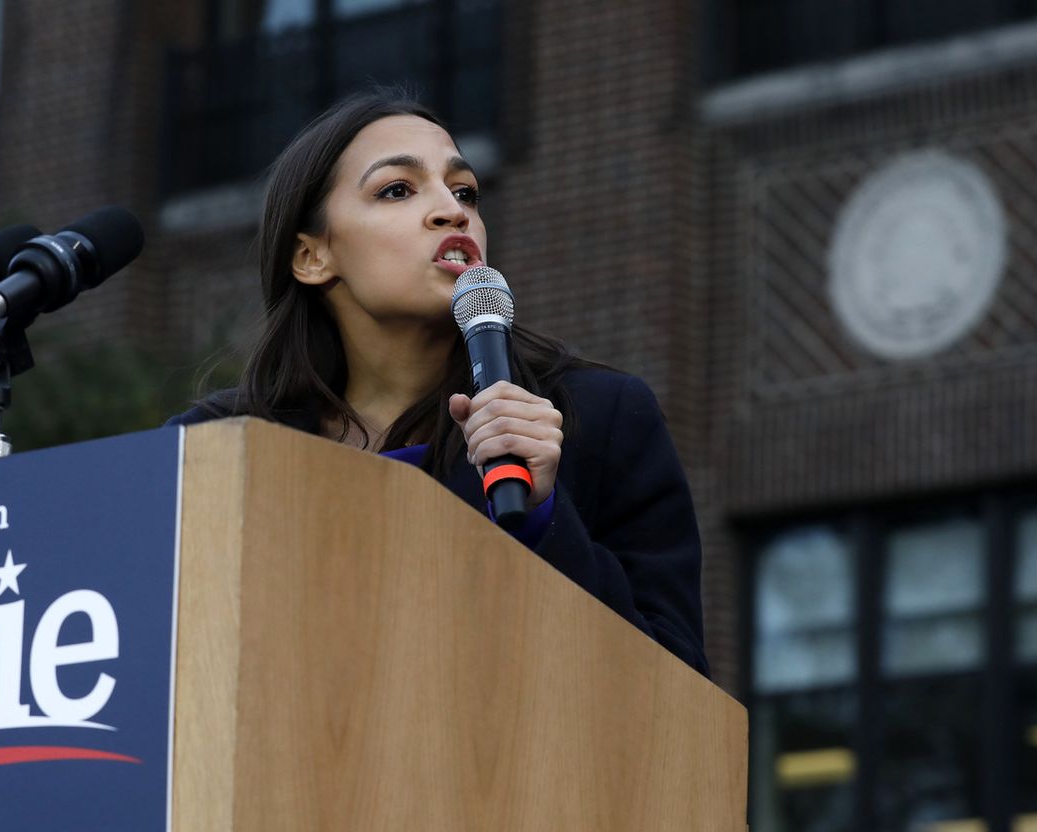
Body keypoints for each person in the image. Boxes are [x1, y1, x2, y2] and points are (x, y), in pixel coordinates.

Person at [166, 90, 708, 677]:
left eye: (465, 191)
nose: (452, 211)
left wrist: (540, 516)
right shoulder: (218, 447)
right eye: (397, 189)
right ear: (311, 256)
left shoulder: (594, 418)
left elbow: (675, 686)